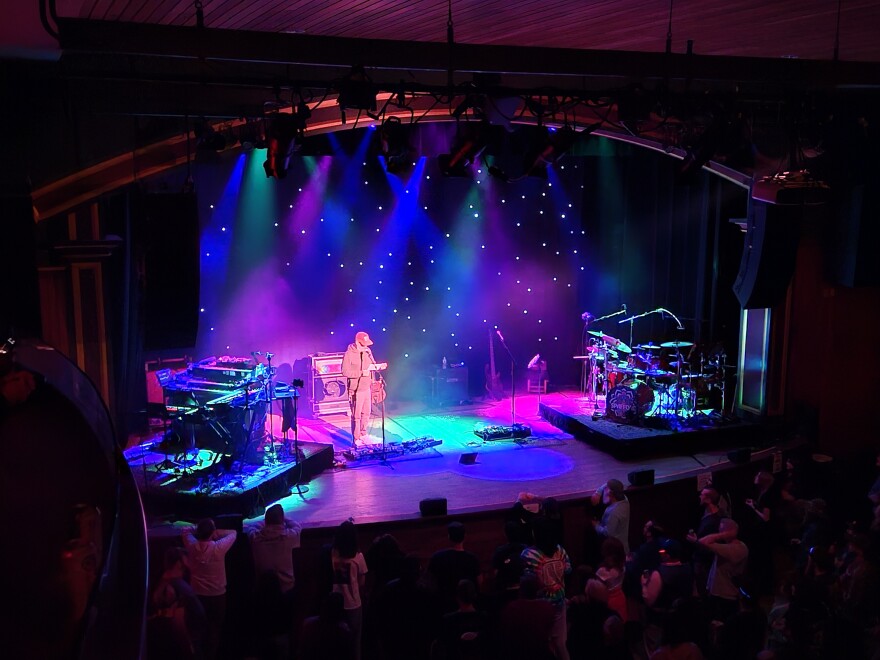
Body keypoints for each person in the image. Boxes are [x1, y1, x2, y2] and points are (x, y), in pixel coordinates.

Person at [181, 518, 237, 660]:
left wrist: (200, 530)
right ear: (212, 532)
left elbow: (185, 530)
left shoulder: (192, 546)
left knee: (197, 630)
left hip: (198, 594)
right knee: (215, 629)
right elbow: (233, 533)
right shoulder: (218, 548)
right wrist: (216, 533)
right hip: (217, 595)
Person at [341, 331, 386, 446]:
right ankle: (356, 439)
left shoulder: (367, 351)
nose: (366, 346)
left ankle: (363, 434)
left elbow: (371, 365)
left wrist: (378, 367)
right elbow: (345, 371)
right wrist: (361, 373)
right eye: (363, 344)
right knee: (356, 415)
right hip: (356, 389)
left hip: (367, 387)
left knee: (366, 413)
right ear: (357, 342)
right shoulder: (349, 354)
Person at [591, 479, 631, 554]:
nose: (604, 490)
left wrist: (596, 526)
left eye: (606, 489)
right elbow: (610, 484)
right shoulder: (625, 500)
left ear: (610, 493)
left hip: (615, 552)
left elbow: (608, 533)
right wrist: (598, 492)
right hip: (622, 547)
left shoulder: (614, 512)